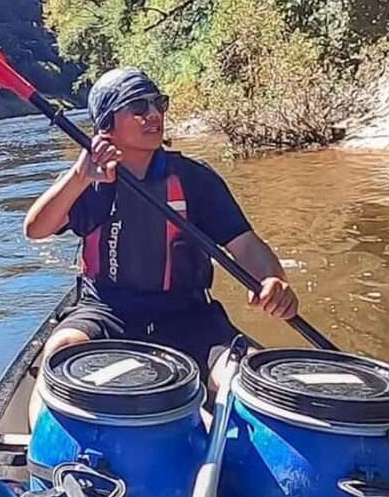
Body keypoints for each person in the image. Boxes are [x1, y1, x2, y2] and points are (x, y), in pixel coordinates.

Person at [24, 67, 298, 425]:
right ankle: (40, 460)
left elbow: (245, 245)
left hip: (188, 313)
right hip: (107, 309)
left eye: (159, 103)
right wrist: (78, 178)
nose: (154, 114)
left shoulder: (194, 179)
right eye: (138, 107)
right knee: (59, 353)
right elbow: (36, 228)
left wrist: (273, 280)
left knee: (241, 377)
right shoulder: (86, 181)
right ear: (107, 124)